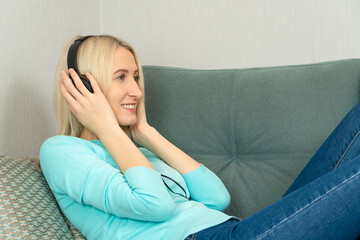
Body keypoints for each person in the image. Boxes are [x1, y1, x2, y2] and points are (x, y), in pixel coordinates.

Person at [39, 35, 360, 240]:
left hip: (236, 229)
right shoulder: (62, 151)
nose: (136, 91)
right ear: (84, 86)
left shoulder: (136, 154)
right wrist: (108, 129)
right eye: (121, 77)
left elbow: (216, 198)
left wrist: (145, 133)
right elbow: (155, 204)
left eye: (136, 77)